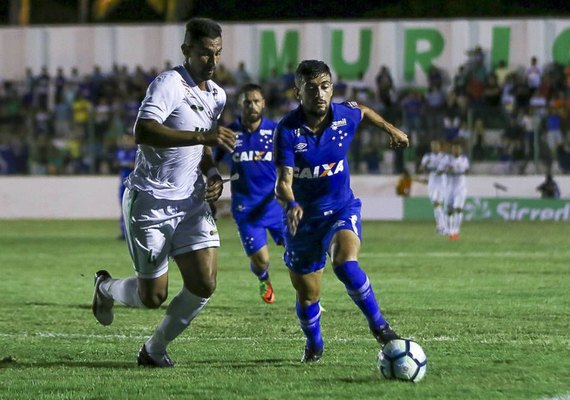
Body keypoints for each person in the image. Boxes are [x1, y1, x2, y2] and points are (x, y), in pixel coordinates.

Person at [91, 17, 236, 368]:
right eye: (204, 53)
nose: (212, 61)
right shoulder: (169, 84)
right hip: (151, 202)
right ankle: (105, 288)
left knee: (204, 283)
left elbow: (202, 143)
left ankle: (153, 350)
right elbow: (144, 131)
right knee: (153, 297)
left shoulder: (217, 95)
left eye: (217, 53)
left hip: (190, 202)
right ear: (186, 50)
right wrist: (204, 137)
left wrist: (213, 170)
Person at [273, 60, 409, 362]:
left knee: (345, 262)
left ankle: (380, 326)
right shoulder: (287, 131)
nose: (320, 94)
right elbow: (283, 184)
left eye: (325, 86)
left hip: (340, 209)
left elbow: (363, 110)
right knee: (308, 296)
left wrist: (392, 129)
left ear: (331, 88)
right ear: (298, 92)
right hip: (302, 223)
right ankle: (315, 344)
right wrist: (292, 204)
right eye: (311, 88)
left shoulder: (343, 116)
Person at [215, 83, 284, 304]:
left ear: (263, 103)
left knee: (299, 254)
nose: (252, 106)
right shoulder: (228, 133)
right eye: (247, 102)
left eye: (256, 101)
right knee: (261, 260)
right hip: (245, 208)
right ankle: (264, 278)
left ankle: (309, 299)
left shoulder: (276, 132)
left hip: (276, 205)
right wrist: (212, 178)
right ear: (240, 104)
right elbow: (210, 162)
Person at [440, 142, 470, 240]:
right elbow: (440, 171)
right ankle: (450, 230)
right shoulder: (447, 159)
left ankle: (455, 231)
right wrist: (448, 169)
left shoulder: (464, 160)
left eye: (458, 149)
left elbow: (467, 171)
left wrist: (459, 170)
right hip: (449, 188)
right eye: (454, 149)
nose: (456, 151)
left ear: (460, 150)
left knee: (458, 208)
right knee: (449, 211)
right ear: (452, 150)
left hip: (460, 188)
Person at [418, 140, 448, 234]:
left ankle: (443, 227)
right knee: (436, 204)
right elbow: (421, 169)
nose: (435, 147)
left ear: (440, 147)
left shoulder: (444, 156)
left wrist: (441, 170)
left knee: (437, 203)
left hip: (442, 183)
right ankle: (440, 226)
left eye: (436, 146)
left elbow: (446, 169)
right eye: (433, 146)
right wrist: (425, 165)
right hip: (432, 183)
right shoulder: (427, 156)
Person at [114, 133, 137, 240]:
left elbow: (135, 165)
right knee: (124, 209)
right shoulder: (120, 152)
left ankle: (134, 233)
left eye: (128, 139)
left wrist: (124, 164)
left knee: (134, 210)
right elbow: (115, 164)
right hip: (123, 185)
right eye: (125, 139)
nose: (126, 141)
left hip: (134, 185)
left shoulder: (137, 152)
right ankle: (124, 233)